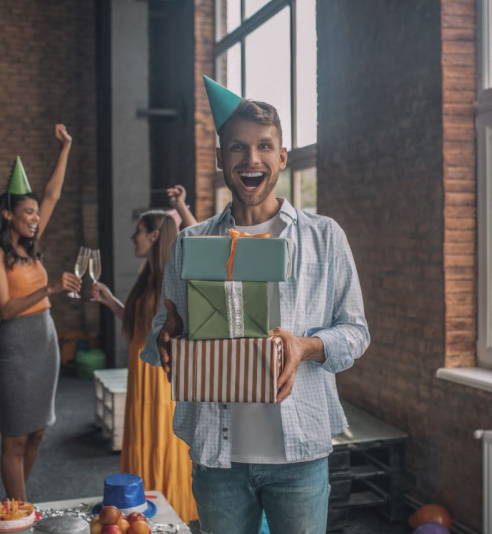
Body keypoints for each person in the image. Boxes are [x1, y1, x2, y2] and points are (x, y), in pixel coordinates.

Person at [141, 78, 369, 534]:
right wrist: (166, 338)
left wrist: (305, 346)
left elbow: (356, 333)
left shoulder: (324, 237)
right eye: (238, 148)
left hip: (300, 453)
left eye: (265, 146)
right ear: (221, 158)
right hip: (217, 455)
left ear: (282, 157)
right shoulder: (190, 242)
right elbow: (161, 335)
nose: (251, 159)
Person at [0, 124, 81, 500]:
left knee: (38, 431)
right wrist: (49, 288)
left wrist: (66, 147)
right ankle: (19, 508)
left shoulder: (31, 245)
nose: (36, 218)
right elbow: (5, 309)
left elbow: (53, 193)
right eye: (28, 212)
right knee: (16, 436)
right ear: (8, 215)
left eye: (37, 213)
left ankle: (16, 501)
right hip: (17, 347)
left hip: (45, 342)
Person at [91, 209, 199, 523]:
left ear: (154, 236)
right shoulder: (147, 275)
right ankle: (141, 510)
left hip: (161, 379)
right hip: (140, 375)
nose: (132, 237)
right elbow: (140, 326)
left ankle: (169, 512)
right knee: (141, 438)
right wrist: (110, 300)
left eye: (138, 230)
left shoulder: (173, 276)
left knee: (162, 442)